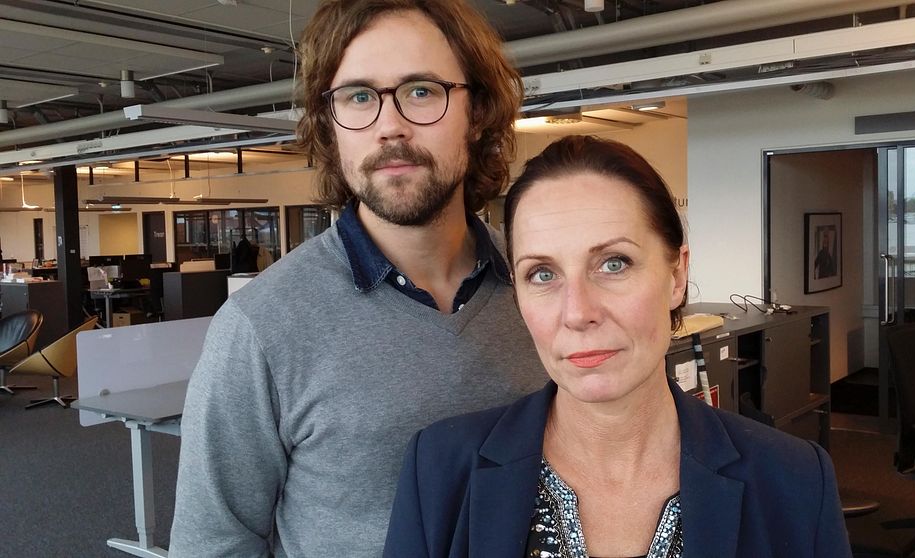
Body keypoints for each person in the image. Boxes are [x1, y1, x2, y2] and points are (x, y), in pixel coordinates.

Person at [168, 1, 545, 556]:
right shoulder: (261, 328)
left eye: (421, 90)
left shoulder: (543, 289)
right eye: (359, 96)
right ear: (331, 123)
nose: (389, 126)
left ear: (479, 111)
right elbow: (214, 544)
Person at [384, 135, 851, 558]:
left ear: (676, 275)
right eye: (542, 274)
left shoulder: (794, 482)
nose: (577, 312)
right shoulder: (441, 471)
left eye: (614, 264)